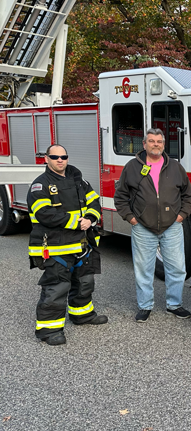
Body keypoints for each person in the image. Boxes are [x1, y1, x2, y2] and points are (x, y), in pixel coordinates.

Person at [28, 145, 107, 345]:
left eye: (63, 156)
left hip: (82, 244)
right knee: (57, 287)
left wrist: (90, 218)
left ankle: (82, 315)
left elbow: (95, 202)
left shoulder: (80, 181)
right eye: (55, 157)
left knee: (85, 283)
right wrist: (76, 222)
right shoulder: (40, 184)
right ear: (46, 159)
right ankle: (49, 331)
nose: (60, 160)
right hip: (56, 246)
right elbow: (43, 213)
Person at [115, 128, 191, 322]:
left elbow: (188, 195)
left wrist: (181, 217)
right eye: (151, 141)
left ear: (164, 144)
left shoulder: (175, 167)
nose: (156, 144)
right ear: (144, 144)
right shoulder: (132, 167)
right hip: (143, 227)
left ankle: (174, 304)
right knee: (144, 269)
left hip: (172, 227)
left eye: (159, 141)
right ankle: (145, 306)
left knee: (177, 268)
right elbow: (120, 197)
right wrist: (132, 219)